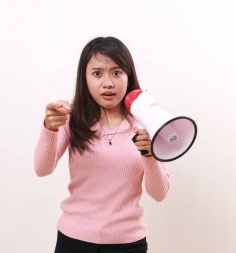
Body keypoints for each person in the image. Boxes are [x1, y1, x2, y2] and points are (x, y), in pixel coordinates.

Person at [34, 36, 170, 253]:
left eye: (116, 72)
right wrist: (49, 128)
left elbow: (159, 193)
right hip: (73, 242)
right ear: (85, 78)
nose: (108, 82)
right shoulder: (72, 118)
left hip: (128, 245)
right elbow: (42, 169)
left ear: (129, 75)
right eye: (97, 73)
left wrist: (149, 154)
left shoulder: (146, 122)